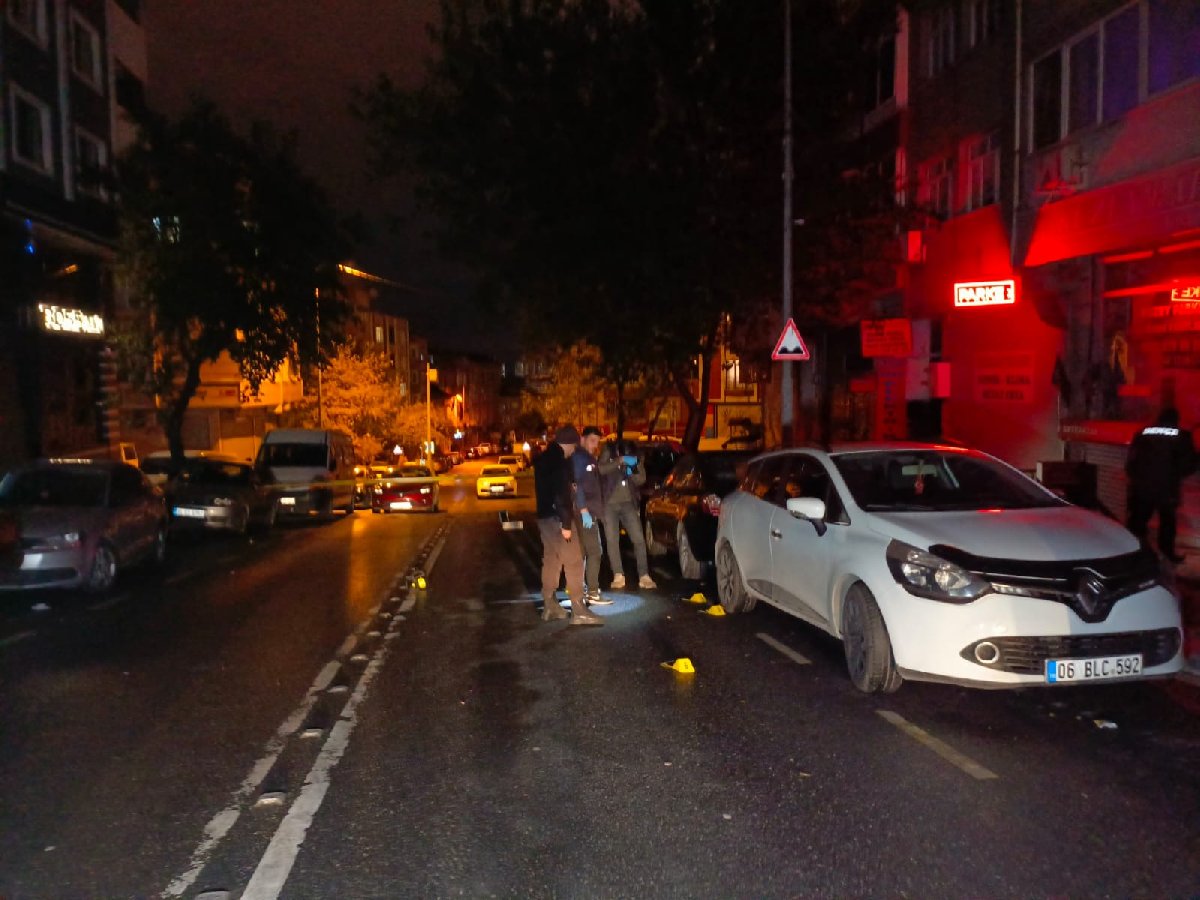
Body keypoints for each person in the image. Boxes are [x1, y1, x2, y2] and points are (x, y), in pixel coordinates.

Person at [533, 425, 602, 625]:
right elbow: (561, 495)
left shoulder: (544, 459)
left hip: (544, 517)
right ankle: (579, 609)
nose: (573, 450)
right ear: (569, 444)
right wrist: (565, 524)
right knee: (574, 561)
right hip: (558, 518)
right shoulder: (561, 463)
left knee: (552, 559)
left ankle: (550, 605)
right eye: (573, 446)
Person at [1125, 407, 1197, 563]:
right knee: (1167, 524)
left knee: (1137, 522)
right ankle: (1166, 554)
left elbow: (1131, 462)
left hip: (1141, 489)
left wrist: (1136, 480)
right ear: (1176, 420)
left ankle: (1132, 553)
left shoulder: (1142, 433)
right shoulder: (1182, 436)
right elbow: (1189, 465)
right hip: (1166, 490)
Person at [602, 439, 656, 591]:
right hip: (609, 504)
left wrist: (631, 469)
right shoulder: (608, 451)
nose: (626, 456)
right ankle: (618, 575)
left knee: (639, 538)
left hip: (628, 503)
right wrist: (618, 462)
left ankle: (644, 575)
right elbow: (600, 469)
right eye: (623, 454)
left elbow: (641, 480)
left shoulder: (636, 456)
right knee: (612, 540)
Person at [572, 426, 619, 606]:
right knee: (595, 551)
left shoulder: (587, 457)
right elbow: (577, 484)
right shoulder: (580, 457)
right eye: (592, 441)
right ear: (582, 439)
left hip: (588, 510)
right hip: (585, 512)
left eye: (597, 442)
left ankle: (582, 589)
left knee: (584, 551)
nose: (595, 445)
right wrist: (584, 510)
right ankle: (592, 592)